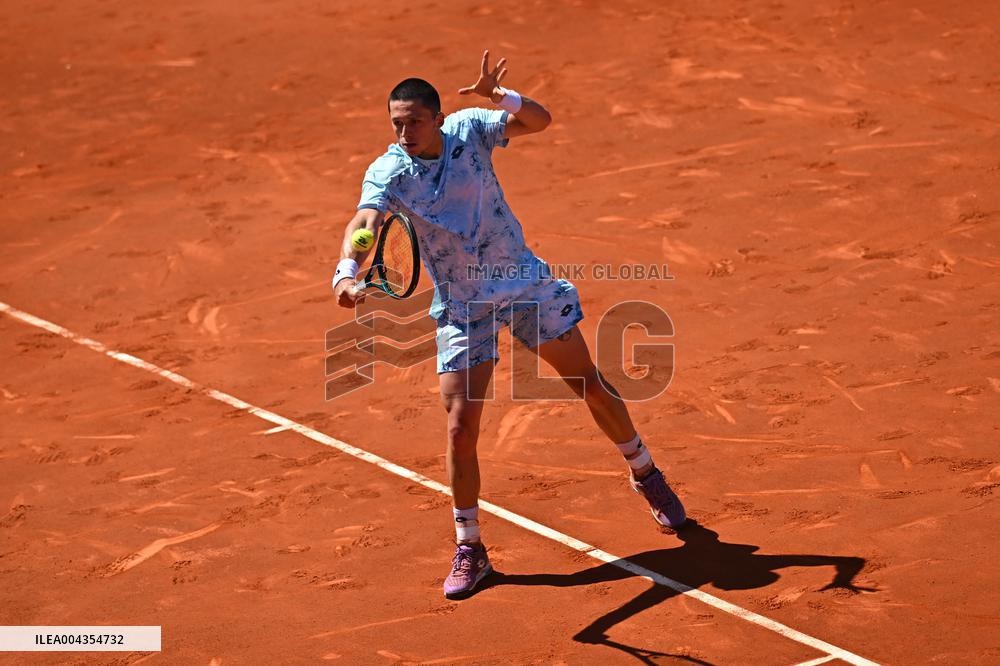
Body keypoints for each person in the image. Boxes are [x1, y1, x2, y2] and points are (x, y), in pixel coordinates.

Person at [333, 50, 687, 599]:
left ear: (438, 119)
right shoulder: (389, 171)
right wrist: (348, 269)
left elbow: (538, 121)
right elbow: (365, 224)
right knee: (459, 427)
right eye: (396, 124)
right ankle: (471, 548)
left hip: (522, 285)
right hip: (462, 305)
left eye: (414, 122)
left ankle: (645, 472)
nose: (404, 133)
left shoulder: (471, 130)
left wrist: (502, 97)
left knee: (588, 383)